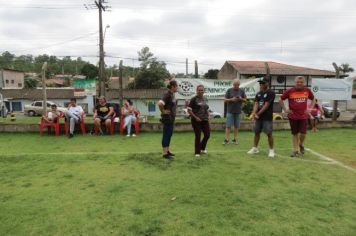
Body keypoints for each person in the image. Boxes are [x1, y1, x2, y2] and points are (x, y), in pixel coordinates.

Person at [279, 76, 316, 157]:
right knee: (294, 133)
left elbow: (313, 99)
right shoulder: (289, 91)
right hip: (293, 116)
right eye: (298, 82)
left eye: (301, 82)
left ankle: (301, 144)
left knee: (303, 133)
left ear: (304, 83)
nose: (299, 83)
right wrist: (285, 109)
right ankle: (295, 150)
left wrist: (310, 108)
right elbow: (280, 99)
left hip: (303, 116)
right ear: (294, 82)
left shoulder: (307, 90)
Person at [247, 77, 276, 158]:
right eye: (260, 83)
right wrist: (254, 113)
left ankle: (271, 150)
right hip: (258, 117)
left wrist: (257, 114)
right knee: (256, 132)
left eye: (263, 83)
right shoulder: (258, 93)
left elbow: (266, 106)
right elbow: (256, 104)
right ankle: (255, 148)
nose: (261, 84)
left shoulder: (271, 93)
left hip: (267, 117)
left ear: (267, 83)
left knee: (269, 134)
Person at [187, 85, 211, 158]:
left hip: (205, 120)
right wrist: (196, 117)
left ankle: (202, 148)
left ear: (204, 91)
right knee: (198, 136)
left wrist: (209, 115)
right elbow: (189, 110)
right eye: (199, 90)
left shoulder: (205, 99)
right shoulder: (193, 99)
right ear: (196, 91)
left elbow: (206, 109)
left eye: (202, 90)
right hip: (196, 120)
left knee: (207, 135)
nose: (200, 91)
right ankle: (197, 152)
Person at [158, 80, 178, 159]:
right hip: (167, 119)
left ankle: (167, 151)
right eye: (177, 86)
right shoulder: (167, 94)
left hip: (171, 119)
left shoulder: (172, 95)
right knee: (166, 135)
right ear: (173, 86)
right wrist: (163, 111)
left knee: (169, 135)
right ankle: (165, 153)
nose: (177, 87)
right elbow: (160, 103)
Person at [223, 79, 247, 145]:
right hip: (230, 111)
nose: (236, 86)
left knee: (236, 126)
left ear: (239, 85)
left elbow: (245, 100)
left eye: (237, 85)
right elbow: (224, 100)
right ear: (233, 84)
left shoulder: (242, 91)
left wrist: (240, 99)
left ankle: (235, 139)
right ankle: (226, 139)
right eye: (235, 85)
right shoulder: (229, 90)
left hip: (238, 111)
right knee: (228, 126)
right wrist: (231, 99)